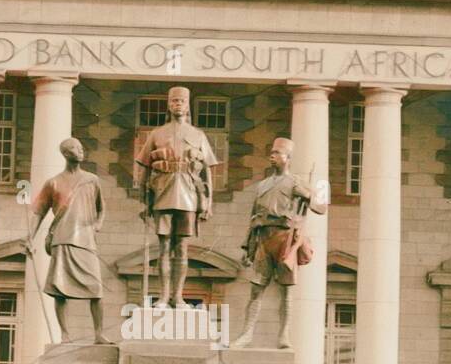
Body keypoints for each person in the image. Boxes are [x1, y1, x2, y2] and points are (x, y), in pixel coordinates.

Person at [232, 137, 323, 349]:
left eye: (277, 153)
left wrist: (309, 196)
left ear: (288, 158)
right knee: (256, 290)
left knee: (287, 291)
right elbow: (253, 217)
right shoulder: (262, 185)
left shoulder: (296, 183)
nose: (272, 156)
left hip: (285, 239)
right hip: (263, 239)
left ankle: (284, 336)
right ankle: (246, 334)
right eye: (271, 153)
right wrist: (248, 246)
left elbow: (320, 207)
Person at [134, 86, 218, 307]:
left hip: (189, 192)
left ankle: (178, 295)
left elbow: (208, 170)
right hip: (162, 191)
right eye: (174, 101)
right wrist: (143, 199)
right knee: (163, 247)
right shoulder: (157, 134)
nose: (177, 104)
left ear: (187, 104)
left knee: (181, 247)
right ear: (168, 105)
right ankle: (163, 296)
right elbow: (144, 166)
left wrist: (208, 203)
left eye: (181, 101)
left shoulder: (198, 135)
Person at [28, 137, 110, 345]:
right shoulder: (53, 183)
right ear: (65, 153)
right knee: (59, 290)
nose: (81, 150)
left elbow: (102, 208)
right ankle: (65, 334)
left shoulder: (91, 180)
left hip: (85, 240)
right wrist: (29, 238)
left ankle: (98, 333)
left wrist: (97, 224)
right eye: (75, 147)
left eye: (81, 147)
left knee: (96, 290)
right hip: (62, 239)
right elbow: (38, 212)